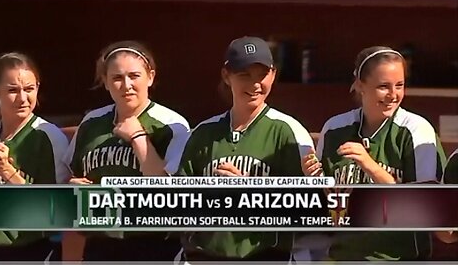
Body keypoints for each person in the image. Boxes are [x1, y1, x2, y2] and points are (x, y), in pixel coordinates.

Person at [178, 36, 319, 262]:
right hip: (205, 256)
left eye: (261, 75)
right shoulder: (203, 133)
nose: (255, 84)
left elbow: (305, 211)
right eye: (244, 75)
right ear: (227, 75)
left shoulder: (289, 131)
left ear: (273, 75)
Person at [302, 46, 447, 260]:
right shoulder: (335, 128)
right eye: (383, 86)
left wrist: (371, 167)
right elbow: (331, 210)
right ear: (361, 85)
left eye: (400, 85)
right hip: (343, 256)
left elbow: (427, 212)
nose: (393, 95)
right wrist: (315, 180)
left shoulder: (416, 129)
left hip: (398, 258)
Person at [63, 40, 190, 261]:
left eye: (134, 76)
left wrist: (138, 138)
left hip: (153, 246)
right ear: (105, 82)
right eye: (117, 78)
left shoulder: (172, 125)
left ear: (150, 76)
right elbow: (71, 180)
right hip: (99, 245)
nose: (126, 85)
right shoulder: (91, 123)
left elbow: (168, 195)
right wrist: (73, 188)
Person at [0, 52, 69, 261]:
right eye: (12, 90)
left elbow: (54, 214)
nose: (22, 98)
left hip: (33, 251)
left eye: (29, 89)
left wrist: (8, 172)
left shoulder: (48, 136)